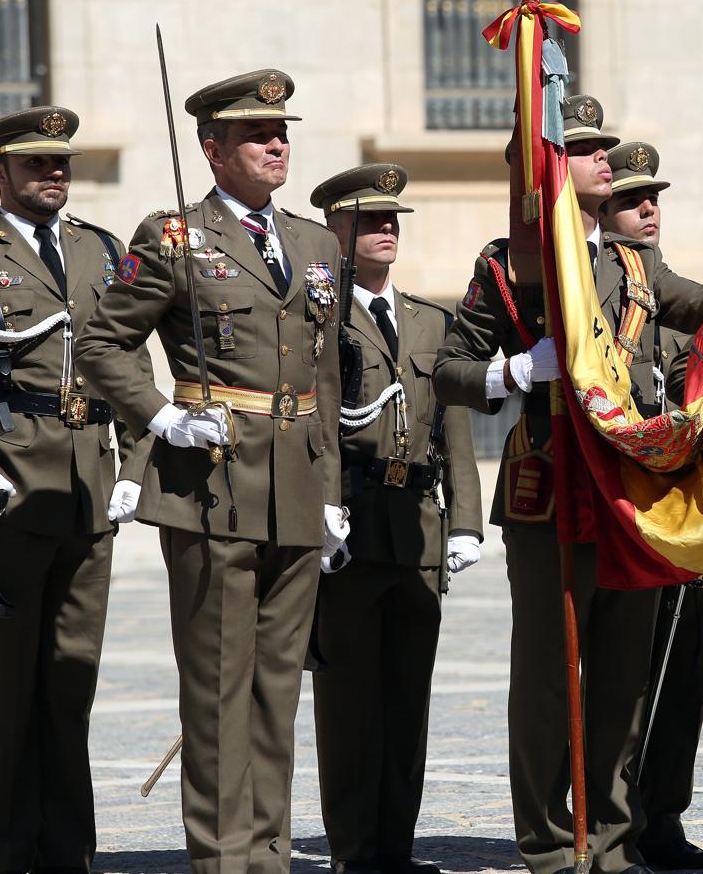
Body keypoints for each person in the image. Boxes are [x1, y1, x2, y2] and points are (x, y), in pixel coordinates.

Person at [434, 94, 703, 874]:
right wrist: (517, 369)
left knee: (625, 676)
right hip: (549, 490)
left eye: (605, 147)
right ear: (553, 166)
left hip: (631, 492)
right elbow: (449, 372)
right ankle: (550, 837)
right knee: (548, 678)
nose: (605, 158)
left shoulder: (634, 263)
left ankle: (614, 836)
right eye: (586, 148)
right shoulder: (509, 262)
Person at [75, 69, 348, 871]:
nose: (276, 145)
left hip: (296, 482)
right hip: (212, 482)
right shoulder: (172, 237)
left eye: (282, 133)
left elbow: (324, 378)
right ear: (212, 149)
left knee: (277, 689)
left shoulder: (314, 242)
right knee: (220, 689)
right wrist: (161, 417)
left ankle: (268, 851)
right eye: (258, 136)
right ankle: (224, 858)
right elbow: (101, 346)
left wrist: (330, 491)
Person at [0, 106, 146, 874]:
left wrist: (137, 462)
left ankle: (68, 852)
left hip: (90, 485)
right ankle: (11, 856)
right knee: (8, 693)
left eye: (61, 163)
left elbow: (127, 361)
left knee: (70, 685)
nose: (53, 175)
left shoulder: (102, 252)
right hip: (8, 486)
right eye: (35, 165)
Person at [306, 163, 484, 874]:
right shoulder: (316, 320)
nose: (385, 230)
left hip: (417, 527)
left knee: (408, 697)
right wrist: (319, 508)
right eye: (368, 220)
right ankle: (354, 849)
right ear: (334, 230)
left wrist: (466, 520)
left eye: (391, 220)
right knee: (349, 702)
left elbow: (455, 428)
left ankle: (396, 847)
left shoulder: (428, 320)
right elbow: (316, 422)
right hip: (351, 524)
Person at [599, 140, 703, 871]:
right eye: (634, 199)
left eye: (656, 198)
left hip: (680, 513)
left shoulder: (658, 286)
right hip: (619, 512)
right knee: (621, 678)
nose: (650, 209)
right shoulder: (582, 280)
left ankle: (662, 815)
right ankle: (612, 819)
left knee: (682, 675)